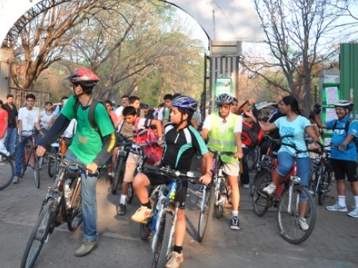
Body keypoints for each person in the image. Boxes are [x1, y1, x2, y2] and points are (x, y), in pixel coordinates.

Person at [36, 68, 115, 257]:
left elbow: (112, 139)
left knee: (88, 201)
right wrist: (44, 143)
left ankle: (90, 238)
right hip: (74, 151)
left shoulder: (98, 109)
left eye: (74, 84)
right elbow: (60, 123)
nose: (72, 87)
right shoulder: (73, 102)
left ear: (80, 87)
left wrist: (97, 162)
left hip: (91, 159)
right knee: (58, 184)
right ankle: (51, 217)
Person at [131, 95, 213, 268]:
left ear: (185, 115)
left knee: (180, 213)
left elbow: (207, 156)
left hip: (181, 177)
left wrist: (209, 174)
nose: (170, 114)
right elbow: (165, 145)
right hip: (163, 170)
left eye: (174, 112)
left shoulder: (193, 135)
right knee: (138, 180)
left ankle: (177, 252)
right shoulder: (168, 127)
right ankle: (147, 208)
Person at [251, 95, 321, 231]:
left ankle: (301, 218)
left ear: (289, 106)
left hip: (302, 154)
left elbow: (313, 135)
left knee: (304, 188)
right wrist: (255, 118)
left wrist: (316, 142)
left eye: (281, 104)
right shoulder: (281, 120)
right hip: (286, 151)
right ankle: (273, 185)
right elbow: (265, 128)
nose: (279, 107)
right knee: (285, 166)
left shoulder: (302, 120)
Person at [201, 93, 243, 230]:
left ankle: (235, 216)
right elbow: (205, 132)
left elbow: (237, 135)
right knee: (204, 162)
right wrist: (202, 141)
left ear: (230, 107)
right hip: (213, 151)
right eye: (220, 106)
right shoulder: (211, 118)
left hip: (230, 155)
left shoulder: (237, 119)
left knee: (233, 184)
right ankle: (206, 185)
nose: (223, 109)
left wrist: (239, 150)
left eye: (226, 106)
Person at [312, 100, 358, 218]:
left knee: (353, 181)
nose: (338, 111)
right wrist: (316, 113)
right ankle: (341, 204)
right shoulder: (336, 122)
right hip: (336, 156)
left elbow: (351, 134)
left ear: (347, 110)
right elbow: (321, 125)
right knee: (339, 180)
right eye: (337, 109)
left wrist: (344, 143)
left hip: (348, 157)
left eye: (341, 109)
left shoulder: (352, 122)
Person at [116, 105, 162, 215]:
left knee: (145, 178)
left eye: (129, 118)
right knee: (127, 179)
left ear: (135, 116)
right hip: (134, 153)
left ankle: (146, 203)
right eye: (126, 118)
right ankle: (122, 203)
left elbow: (157, 123)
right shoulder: (132, 125)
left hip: (145, 155)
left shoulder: (141, 121)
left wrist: (159, 139)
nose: (127, 120)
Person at [14, 93, 41, 184]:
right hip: (22, 133)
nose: (30, 102)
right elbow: (20, 122)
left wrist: (41, 131)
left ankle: (36, 163)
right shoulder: (21, 110)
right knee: (19, 154)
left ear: (34, 102)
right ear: (26, 101)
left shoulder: (35, 111)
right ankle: (17, 175)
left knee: (39, 145)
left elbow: (36, 123)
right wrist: (21, 134)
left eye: (32, 101)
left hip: (31, 133)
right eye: (28, 101)